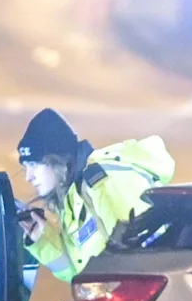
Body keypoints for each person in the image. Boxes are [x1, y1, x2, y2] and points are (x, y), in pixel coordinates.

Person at [16, 108, 176, 282]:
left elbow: (148, 258)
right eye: (26, 167)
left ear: (57, 160)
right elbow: (83, 276)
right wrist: (44, 241)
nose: (28, 176)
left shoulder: (104, 182)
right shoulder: (74, 201)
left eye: (34, 164)